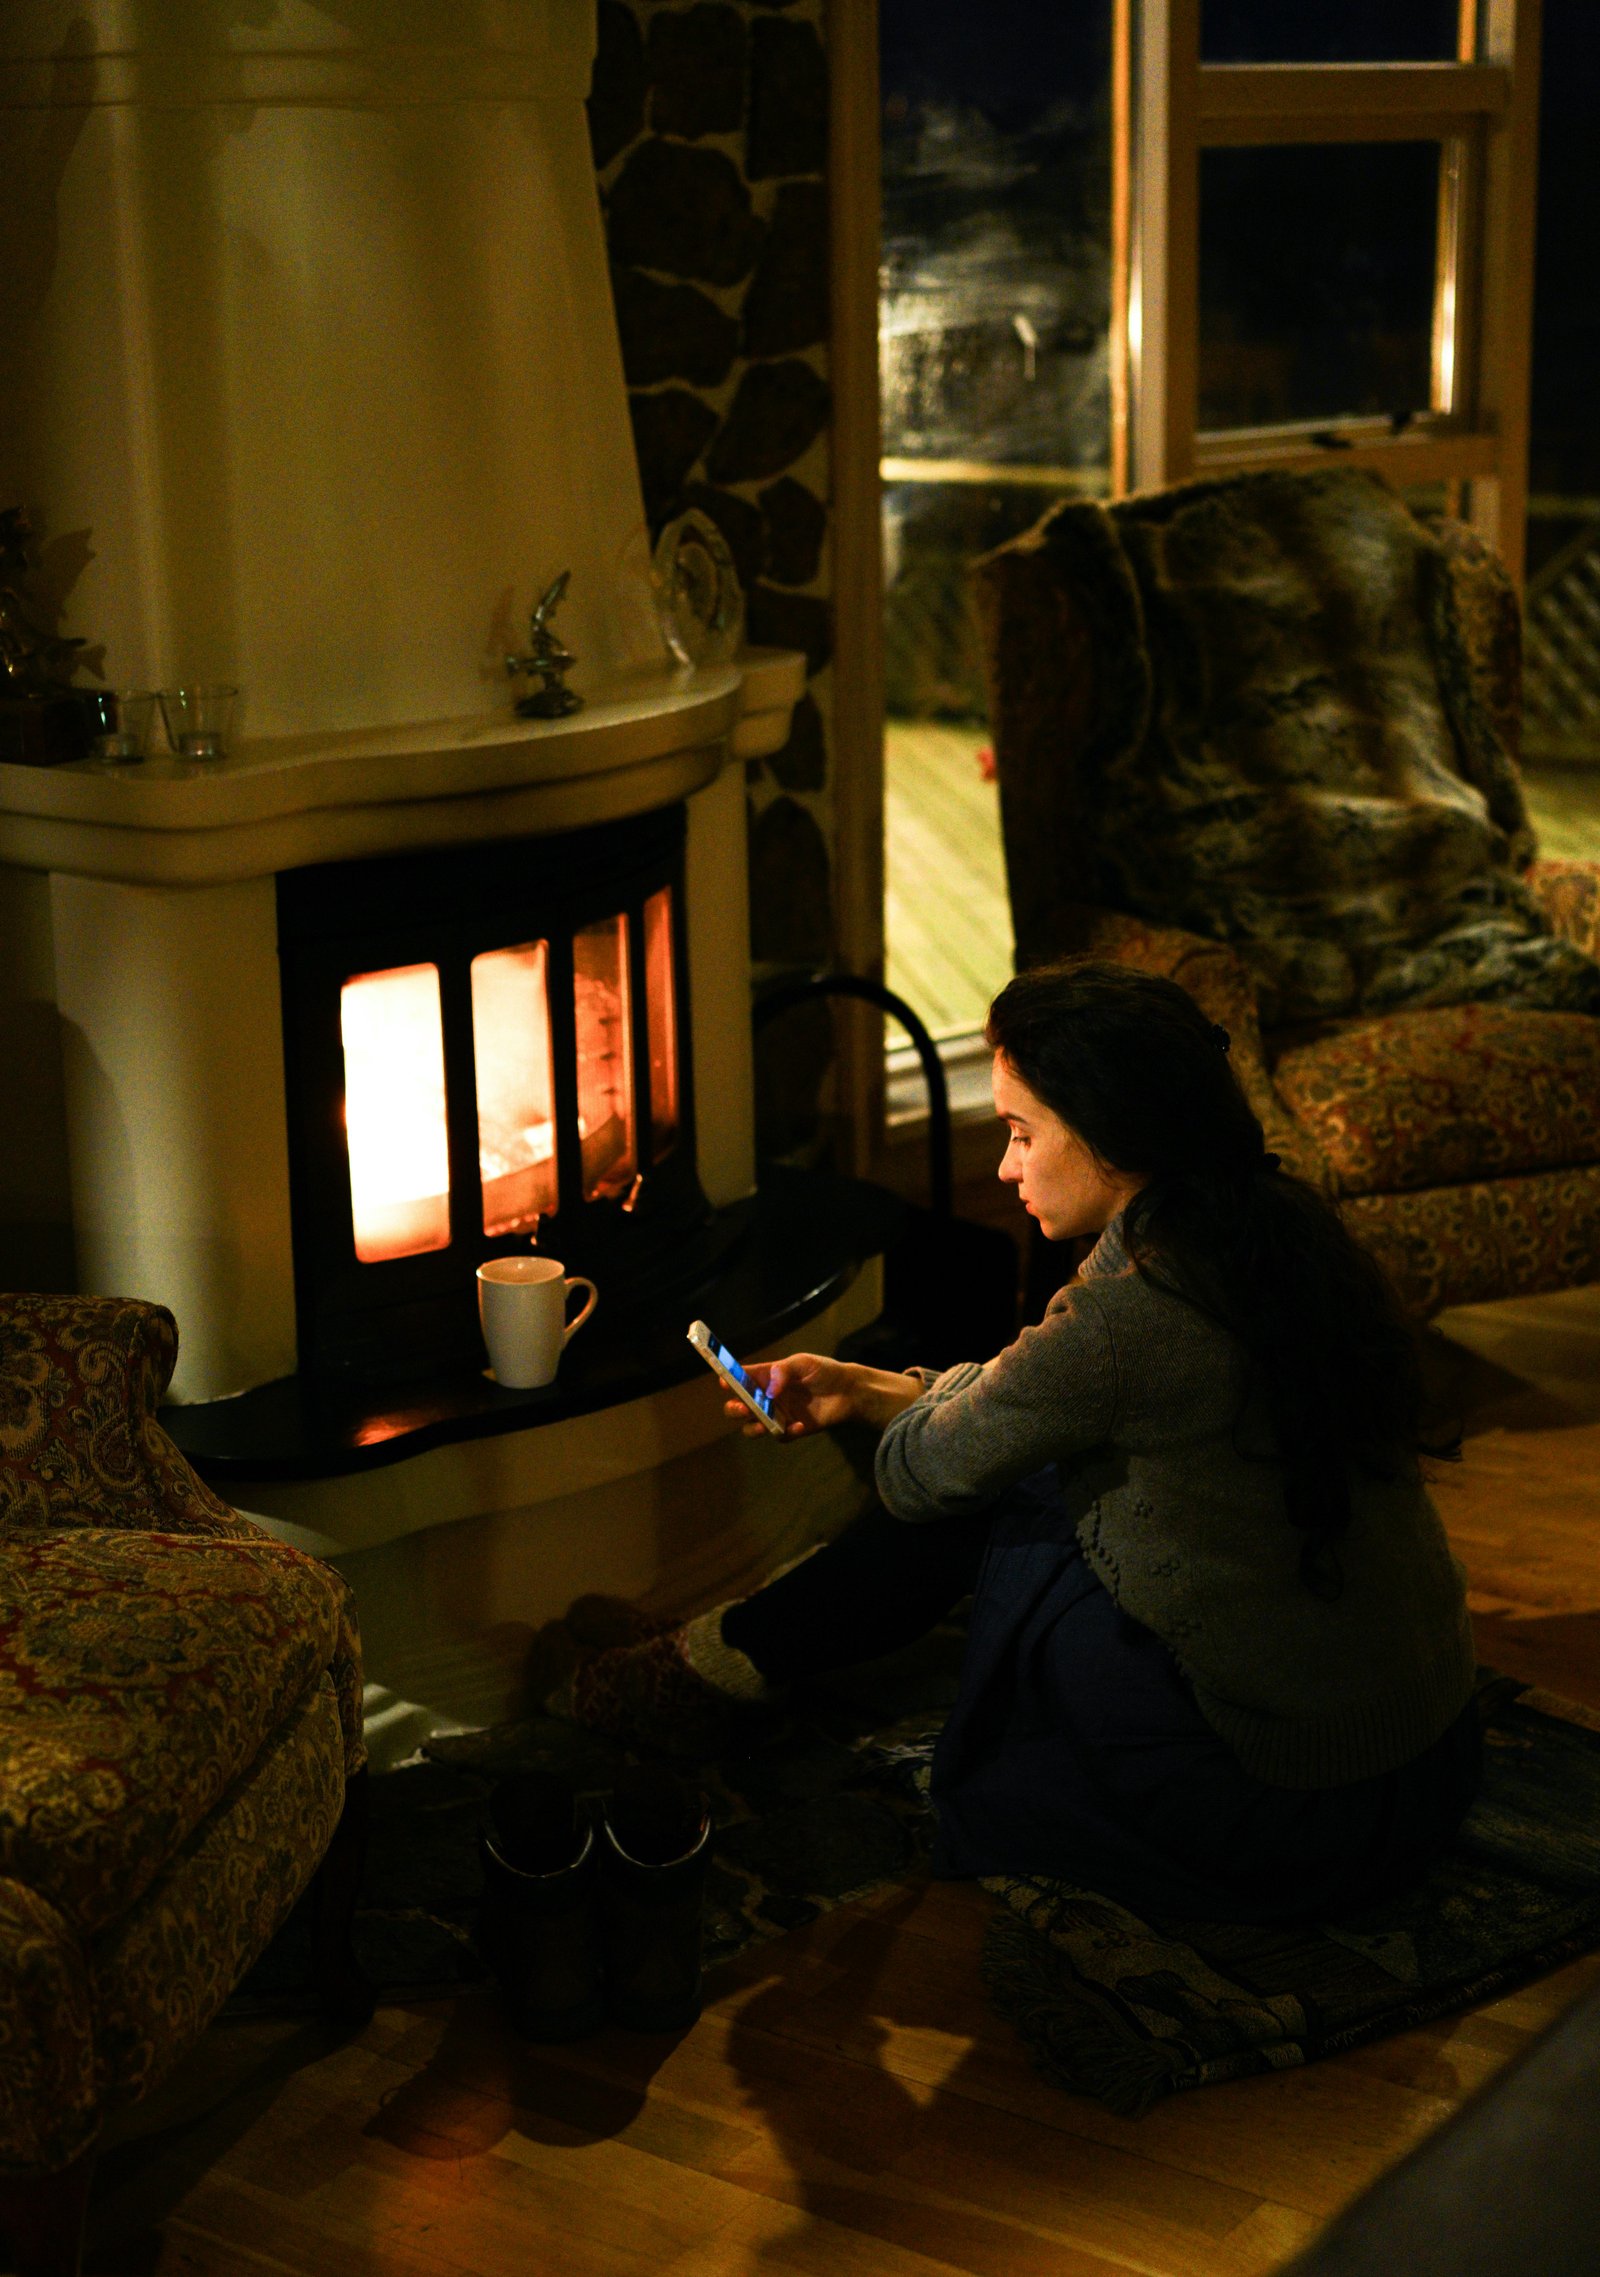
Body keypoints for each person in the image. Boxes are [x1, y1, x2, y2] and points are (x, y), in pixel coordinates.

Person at [551, 961, 1481, 1923]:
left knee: (1001, 1504)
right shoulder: (1270, 1226)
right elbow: (1029, 1401)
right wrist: (873, 1387)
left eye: (1020, 1133)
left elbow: (929, 1476)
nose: (1004, 1167)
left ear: (1110, 1133)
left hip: (1294, 1807)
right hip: (1426, 1752)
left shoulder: (1131, 1314)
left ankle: (714, 1666)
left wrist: (897, 1410)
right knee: (1027, 1466)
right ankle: (724, 1657)